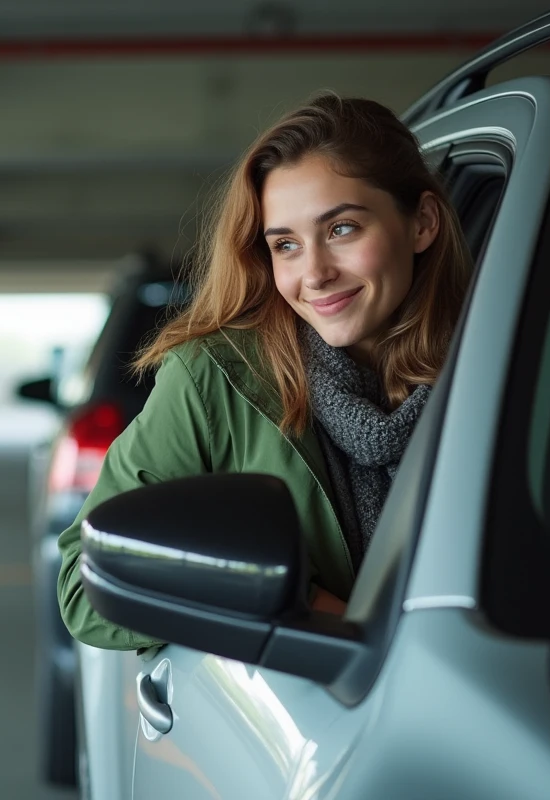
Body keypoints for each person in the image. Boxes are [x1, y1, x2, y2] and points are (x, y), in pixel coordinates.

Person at [56, 93, 472, 651]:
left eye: (342, 229)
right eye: (286, 245)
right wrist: (286, 598)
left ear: (421, 223)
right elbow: (85, 587)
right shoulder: (213, 381)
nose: (315, 273)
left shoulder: (508, 366)